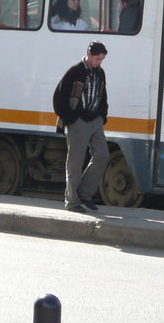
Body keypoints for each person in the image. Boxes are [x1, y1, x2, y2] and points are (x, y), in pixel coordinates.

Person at [53, 41, 109, 213]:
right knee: (75, 162)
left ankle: (84, 193)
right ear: (89, 54)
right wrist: (71, 118)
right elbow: (58, 98)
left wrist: (102, 116)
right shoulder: (75, 71)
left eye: (102, 59)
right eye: (98, 58)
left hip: (95, 121)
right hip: (78, 122)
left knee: (103, 155)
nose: (100, 62)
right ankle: (72, 201)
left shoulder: (100, 73)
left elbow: (103, 95)